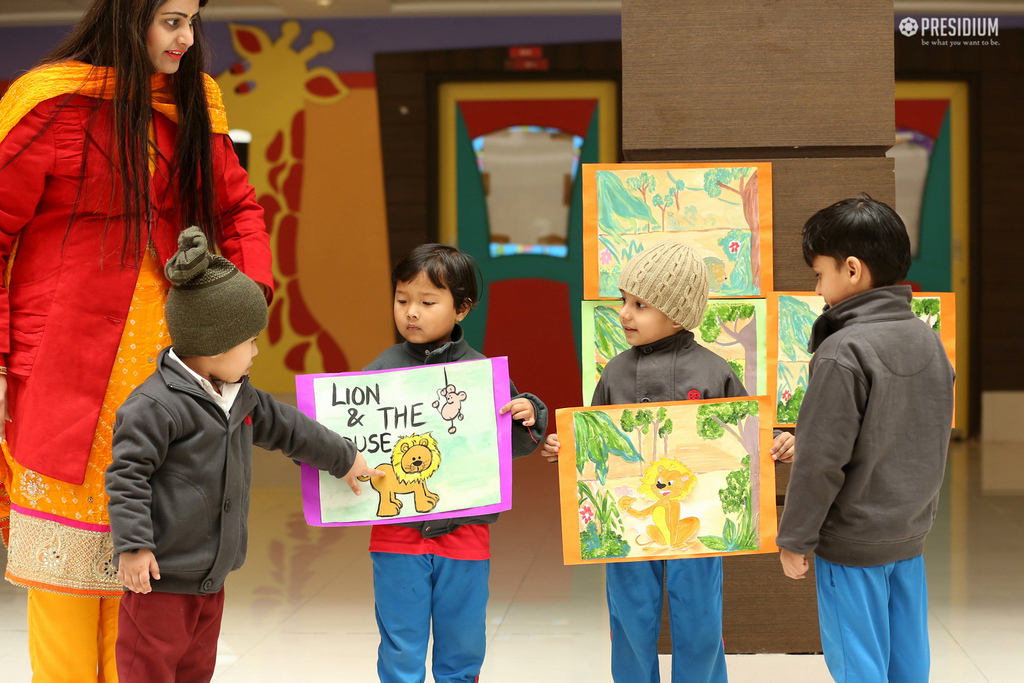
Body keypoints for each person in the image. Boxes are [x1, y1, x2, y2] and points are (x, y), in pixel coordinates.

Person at [0, 1, 272, 680]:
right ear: (128, 17)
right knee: (64, 577)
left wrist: (247, 303)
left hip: (171, 371)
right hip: (63, 371)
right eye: (171, 20)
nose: (186, 38)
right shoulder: (50, 103)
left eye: (192, 21)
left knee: (153, 577)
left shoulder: (191, 105)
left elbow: (239, 208)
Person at [105, 228, 381, 682]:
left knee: (196, 668)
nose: (256, 351)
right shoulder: (154, 407)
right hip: (160, 579)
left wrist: (343, 457)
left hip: (212, 576)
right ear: (211, 344)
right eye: (249, 341)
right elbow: (127, 477)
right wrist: (133, 547)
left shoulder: (239, 394)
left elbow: (291, 429)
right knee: (149, 670)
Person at [541, 240, 795, 683]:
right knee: (630, 620)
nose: (624, 313)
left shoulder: (716, 371)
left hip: (698, 522)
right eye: (624, 301)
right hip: (628, 520)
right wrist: (566, 450)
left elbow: (746, 433)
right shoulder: (614, 372)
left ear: (677, 313)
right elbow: (597, 441)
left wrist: (777, 442)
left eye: (639, 304)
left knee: (699, 622)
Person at [776, 195, 955, 682]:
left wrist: (795, 538)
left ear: (851, 270)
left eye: (818, 274)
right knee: (908, 662)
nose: (817, 288)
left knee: (858, 664)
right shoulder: (927, 339)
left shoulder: (843, 351)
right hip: (909, 535)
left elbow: (819, 460)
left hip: (853, 543)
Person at [363, 243, 547, 683]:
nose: (411, 312)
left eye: (427, 302)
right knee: (400, 644)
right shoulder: (378, 373)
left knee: (462, 644)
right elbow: (355, 441)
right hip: (396, 534)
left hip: (465, 535)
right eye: (402, 299)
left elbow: (514, 446)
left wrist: (529, 413)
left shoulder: (482, 374)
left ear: (462, 308)